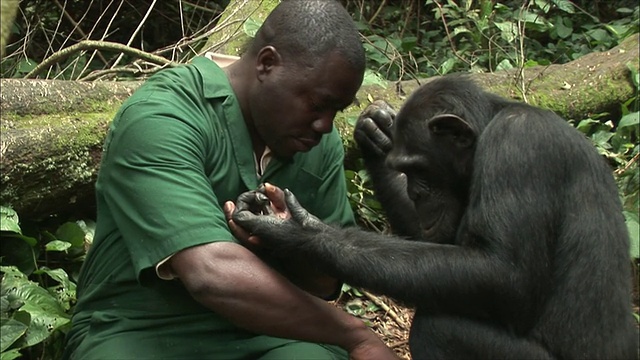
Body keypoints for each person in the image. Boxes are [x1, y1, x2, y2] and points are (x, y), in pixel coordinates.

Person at [62, 1, 398, 359]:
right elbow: (209, 273)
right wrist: (355, 335)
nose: (326, 126)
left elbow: (326, 282)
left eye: (336, 111)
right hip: (138, 327)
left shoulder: (317, 141)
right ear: (267, 64)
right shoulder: (163, 115)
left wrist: (291, 243)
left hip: (273, 333)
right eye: (317, 104)